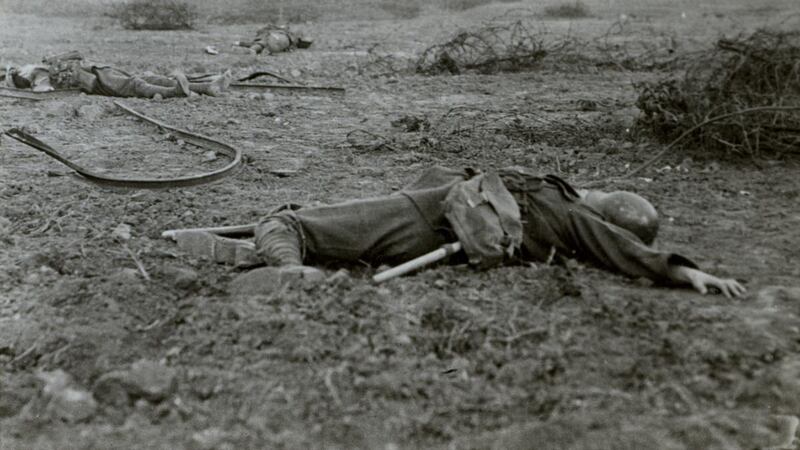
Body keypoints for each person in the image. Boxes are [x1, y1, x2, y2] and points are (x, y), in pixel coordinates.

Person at [174, 166, 746, 298]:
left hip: (418, 214)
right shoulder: (564, 214)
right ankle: (252, 253)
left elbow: (626, 252)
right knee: (322, 234)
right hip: (433, 235)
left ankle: (278, 264)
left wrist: (687, 269)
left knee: (289, 220)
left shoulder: (568, 209)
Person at [4, 57, 234, 98]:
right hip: (96, 75)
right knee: (141, 81)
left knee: (139, 81)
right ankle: (199, 88)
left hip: (95, 76)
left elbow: (44, 90)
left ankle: (195, 89)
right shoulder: (40, 70)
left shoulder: (39, 71)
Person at [234, 24, 312, 55]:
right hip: (280, 43)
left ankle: (251, 50)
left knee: (263, 43)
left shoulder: (269, 32)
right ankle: (248, 48)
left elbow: (269, 27)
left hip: (277, 40)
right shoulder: (292, 41)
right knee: (263, 44)